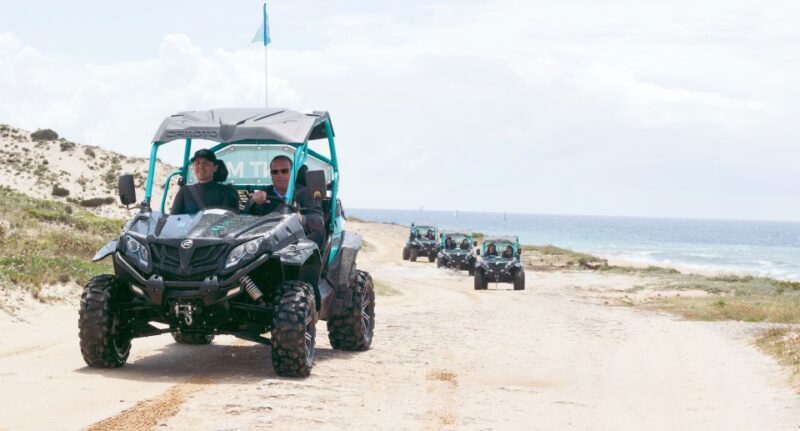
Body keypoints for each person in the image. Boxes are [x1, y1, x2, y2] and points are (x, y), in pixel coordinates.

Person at [245, 155, 325, 246]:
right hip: (266, 244)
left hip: (297, 244)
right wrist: (253, 201)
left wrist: (301, 218)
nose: (280, 175)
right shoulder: (264, 193)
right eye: (275, 172)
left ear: (292, 173)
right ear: (271, 174)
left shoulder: (305, 193)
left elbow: (318, 220)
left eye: (284, 171)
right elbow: (245, 215)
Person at [170, 149, 239, 215]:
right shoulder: (184, 191)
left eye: (206, 163)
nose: (201, 166)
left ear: (215, 168)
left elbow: (230, 219)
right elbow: (173, 218)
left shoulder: (227, 191)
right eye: (197, 163)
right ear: (193, 167)